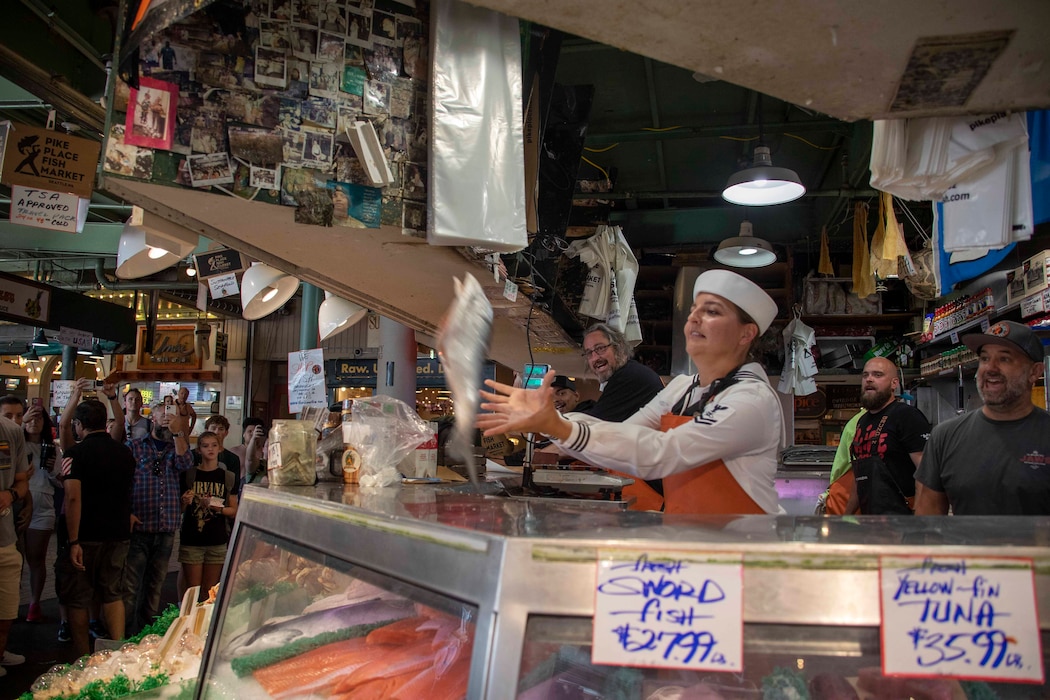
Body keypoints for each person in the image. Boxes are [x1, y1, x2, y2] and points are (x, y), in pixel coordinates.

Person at [480, 269, 784, 515]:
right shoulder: (682, 387)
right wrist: (552, 425)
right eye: (694, 311)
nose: (694, 318)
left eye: (712, 312)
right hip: (689, 535)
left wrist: (558, 426)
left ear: (746, 333)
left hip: (745, 547)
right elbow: (623, 432)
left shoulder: (750, 400)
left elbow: (663, 453)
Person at [915, 320, 1050, 515]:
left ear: (1034, 372)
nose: (990, 368)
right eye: (985, 359)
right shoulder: (944, 437)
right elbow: (927, 522)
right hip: (966, 546)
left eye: (1004, 359)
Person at [57, 398, 136, 658]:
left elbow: (72, 498)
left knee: (78, 597)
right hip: (118, 533)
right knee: (113, 594)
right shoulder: (124, 453)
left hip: (86, 534)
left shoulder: (75, 454)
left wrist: (73, 540)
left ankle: (82, 657)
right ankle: (117, 651)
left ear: (79, 425)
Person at [124, 401, 193, 636]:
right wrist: (126, 512)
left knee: (155, 585)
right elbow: (120, 483)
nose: (166, 418)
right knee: (131, 585)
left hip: (165, 527)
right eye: (163, 414)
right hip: (139, 524)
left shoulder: (177, 447)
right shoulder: (134, 446)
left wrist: (178, 431)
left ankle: (147, 635)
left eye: (170, 415)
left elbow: (185, 463)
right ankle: (125, 635)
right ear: (152, 418)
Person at [844, 357, 930, 515]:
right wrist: (844, 518)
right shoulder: (862, 421)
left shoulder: (906, 415)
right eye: (865, 375)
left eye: (877, 375)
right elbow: (859, 479)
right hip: (871, 522)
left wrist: (918, 520)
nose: (869, 379)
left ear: (894, 384)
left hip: (903, 521)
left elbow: (925, 471)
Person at [178, 431, 239, 602]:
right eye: (205, 446)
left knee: (210, 591)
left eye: (214, 445)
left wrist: (216, 508)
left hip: (217, 538)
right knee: (192, 590)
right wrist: (184, 502)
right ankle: (188, 623)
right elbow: (181, 510)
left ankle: (204, 625)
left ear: (220, 448)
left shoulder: (227, 477)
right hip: (192, 538)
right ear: (198, 450)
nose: (210, 449)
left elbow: (233, 510)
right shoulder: (189, 475)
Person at [20, 402, 61, 622]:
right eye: (30, 418)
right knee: (14, 560)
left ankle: (34, 603)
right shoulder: (16, 443)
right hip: (16, 504)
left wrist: (54, 469)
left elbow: (61, 481)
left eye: (39, 418)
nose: (34, 422)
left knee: (36, 559)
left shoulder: (52, 448)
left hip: (43, 506)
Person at [577, 322, 664, 422]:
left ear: (619, 347)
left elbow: (594, 426)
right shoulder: (627, 372)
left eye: (600, 348)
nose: (595, 358)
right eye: (589, 353)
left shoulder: (627, 377)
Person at [0, 413, 29, 676]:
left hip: (5, 537)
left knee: (8, 605)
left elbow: (22, 481)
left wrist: (9, 495)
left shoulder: (11, 431)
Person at [230, 416, 267, 485]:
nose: (253, 434)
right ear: (243, 434)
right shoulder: (234, 452)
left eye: (256, 432)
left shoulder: (266, 451)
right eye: (250, 431)